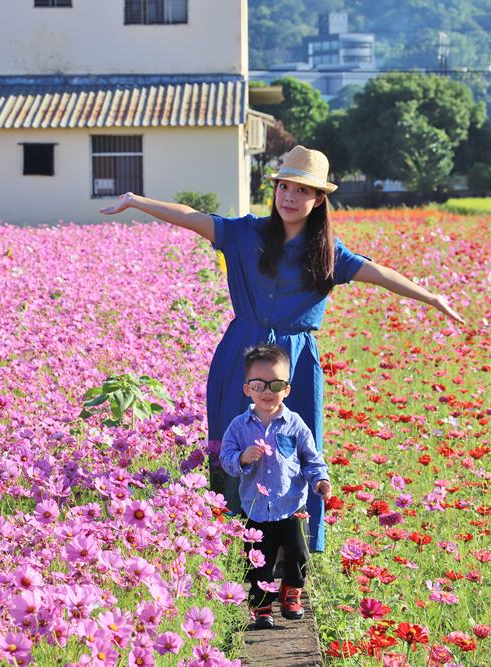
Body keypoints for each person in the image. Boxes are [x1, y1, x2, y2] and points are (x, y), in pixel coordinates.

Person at [100, 145, 465, 552]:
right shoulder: (246, 233)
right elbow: (193, 217)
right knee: (233, 437)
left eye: (301, 190)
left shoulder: (329, 253)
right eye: (283, 187)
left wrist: (432, 297)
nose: (289, 197)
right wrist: (135, 201)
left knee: (297, 441)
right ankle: (235, 534)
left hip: (295, 362)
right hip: (242, 353)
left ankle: (297, 541)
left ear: (319, 199)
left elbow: (379, 274)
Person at [219, 344, 331, 629]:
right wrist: (242, 458)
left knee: (298, 554)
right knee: (258, 560)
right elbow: (226, 459)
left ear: (287, 389)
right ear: (247, 389)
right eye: (259, 384)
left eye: (276, 384)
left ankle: (291, 592)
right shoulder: (238, 426)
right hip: (256, 509)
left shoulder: (295, 424)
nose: (267, 391)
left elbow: (310, 458)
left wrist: (320, 480)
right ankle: (262, 606)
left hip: (292, 504)